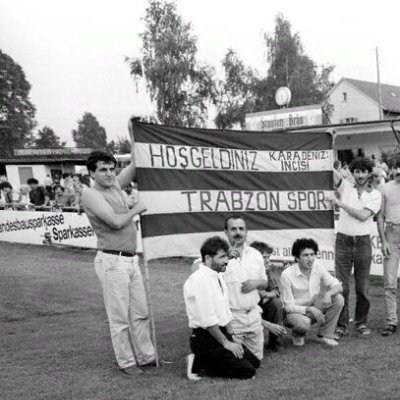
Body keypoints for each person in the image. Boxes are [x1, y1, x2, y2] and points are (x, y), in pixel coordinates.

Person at [81, 122, 156, 377]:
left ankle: (146, 357)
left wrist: (135, 134)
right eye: (103, 170)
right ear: (92, 172)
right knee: (119, 317)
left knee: (141, 312)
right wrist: (136, 208)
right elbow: (114, 221)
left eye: (112, 169)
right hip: (112, 260)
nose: (110, 174)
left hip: (130, 259)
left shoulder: (114, 185)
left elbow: (135, 165)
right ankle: (127, 362)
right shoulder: (91, 194)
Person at [184, 236, 260, 380]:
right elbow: (208, 320)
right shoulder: (200, 280)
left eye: (227, 256)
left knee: (255, 363)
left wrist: (232, 336)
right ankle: (198, 361)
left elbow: (224, 311)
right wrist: (226, 343)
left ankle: (204, 360)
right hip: (205, 339)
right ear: (208, 258)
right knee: (248, 372)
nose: (227, 260)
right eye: (222, 257)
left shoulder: (217, 276)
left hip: (221, 333)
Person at [331, 157, 382, 339]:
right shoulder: (345, 186)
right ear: (352, 172)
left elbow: (362, 216)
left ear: (369, 173)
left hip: (362, 243)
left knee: (362, 288)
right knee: (342, 287)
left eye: (364, 171)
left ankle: (361, 322)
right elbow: (330, 170)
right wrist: (330, 142)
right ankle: (341, 325)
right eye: (357, 171)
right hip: (343, 241)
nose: (360, 175)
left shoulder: (375, 195)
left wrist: (341, 204)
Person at [280, 238, 344, 347]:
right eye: (305, 255)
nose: (310, 259)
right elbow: (287, 307)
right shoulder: (286, 275)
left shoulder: (317, 267)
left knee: (338, 299)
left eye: (312, 254)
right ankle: (297, 334)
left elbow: (338, 286)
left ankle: (326, 335)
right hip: (292, 314)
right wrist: (309, 309)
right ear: (297, 258)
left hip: (312, 308)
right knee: (304, 323)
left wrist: (328, 294)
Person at [222, 214, 269, 360]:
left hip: (254, 317)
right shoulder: (218, 255)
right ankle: (197, 358)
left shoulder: (255, 255)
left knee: (256, 362)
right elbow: (198, 270)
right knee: (237, 364)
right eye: (233, 229)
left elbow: (265, 283)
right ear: (226, 232)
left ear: (246, 232)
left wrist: (256, 283)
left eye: (241, 229)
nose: (238, 232)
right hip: (232, 319)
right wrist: (225, 258)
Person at [377, 157, 400, 336]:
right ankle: (392, 321)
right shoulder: (384, 188)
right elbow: (380, 216)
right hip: (391, 234)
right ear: (392, 169)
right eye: (397, 168)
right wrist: (383, 240)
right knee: (390, 282)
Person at [249, 241, 286, 351]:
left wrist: (266, 295)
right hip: (246, 311)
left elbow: (277, 291)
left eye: (268, 257)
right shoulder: (243, 273)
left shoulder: (266, 272)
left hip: (262, 306)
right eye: (264, 257)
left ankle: (275, 342)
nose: (267, 260)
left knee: (276, 303)